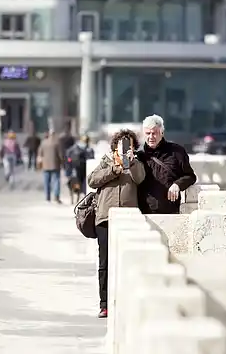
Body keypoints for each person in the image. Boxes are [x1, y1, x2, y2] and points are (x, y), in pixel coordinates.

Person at [87, 129, 145, 319]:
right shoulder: (106, 161)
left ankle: (124, 301)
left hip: (128, 218)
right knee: (104, 262)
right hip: (105, 217)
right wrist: (114, 170)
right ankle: (104, 304)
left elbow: (140, 179)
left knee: (127, 262)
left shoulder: (137, 163)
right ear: (115, 146)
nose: (124, 147)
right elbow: (92, 181)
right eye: (121, 143)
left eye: (128, 144)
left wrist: (131, 162)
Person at [137, 115, 197, 215]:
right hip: (145, 213)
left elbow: (190, 176)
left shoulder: (176, 152)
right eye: (148, 133)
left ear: (162, 133)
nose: (151, 137)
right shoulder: (139, 156)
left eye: (154, 133)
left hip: (171, 211)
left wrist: (178, 185)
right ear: (144, 134)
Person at [37, 130, 64, 203]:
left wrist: (39, 164)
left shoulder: (43, 143)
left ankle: (47, 197)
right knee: (56, 181)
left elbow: (40, 154)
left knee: (46, 182)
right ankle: (56, 197)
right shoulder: (57, 143)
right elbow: (60, 155)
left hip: (45, 165)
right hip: (55, 165)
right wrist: (62, 163)